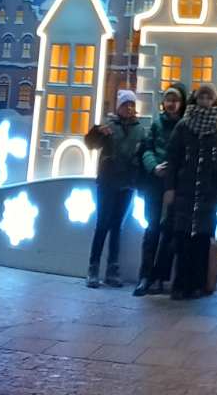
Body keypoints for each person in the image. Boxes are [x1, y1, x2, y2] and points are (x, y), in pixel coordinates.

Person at [165, 81, 217, 299]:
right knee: (182, 238)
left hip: (208, 193)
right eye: (201, 97)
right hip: (185, 191)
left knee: (203, 240)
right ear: (196, 99)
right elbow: (173, 159)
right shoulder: (184, 126)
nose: (204, 102)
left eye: (208, 98)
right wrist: (170, 187)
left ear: (214, 100)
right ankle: (180, 284)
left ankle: (197, 284)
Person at [85, 88, 144, 288]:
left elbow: (141, 153)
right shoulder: (109, 125)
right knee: (103, 223)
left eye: (132, 105)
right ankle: (93, 267)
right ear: (119, 107)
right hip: (108, 182)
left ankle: (112, 267)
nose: (129, 108)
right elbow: (91, 144)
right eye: (126, 104)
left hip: (126, 184)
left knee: (117, 226)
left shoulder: (139, 129)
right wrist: (96, 131)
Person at [133, 82, 186, 296]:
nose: (171, 104)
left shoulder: (184, 126)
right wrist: (154, 166)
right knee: (152, 229)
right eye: (168, 100)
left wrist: (173, 170)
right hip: (156, 185)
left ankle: (161, 277)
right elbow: (146, 149)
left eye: (175, 100)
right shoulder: (156, 124)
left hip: (175, 186)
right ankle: (145, 276)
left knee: (170, 233)